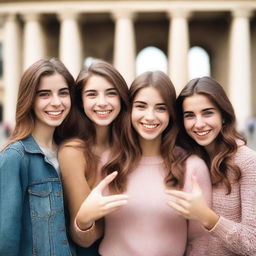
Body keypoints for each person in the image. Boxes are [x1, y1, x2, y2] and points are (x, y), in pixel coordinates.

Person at [73, 71, 212, 255]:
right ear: (130, 110)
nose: (150, 116)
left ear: (171, 113)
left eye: (160, 108)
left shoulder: (192, 167)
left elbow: (200, 242)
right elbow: (83, 240)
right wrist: (83, 220)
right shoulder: (109, 162)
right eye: (141, 106)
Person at [171, 76, 256, 255]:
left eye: (208, 112)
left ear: (223, 116)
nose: (199, 123)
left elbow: (253, 244)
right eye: (190, 115)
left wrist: (207, 217)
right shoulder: (183, 160)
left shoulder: (248, 162)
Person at [0, 58, 76, 256]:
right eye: (44, 94)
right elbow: (5, 240)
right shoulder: (15, 158)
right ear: (29, 99)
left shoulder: (70, 152)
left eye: (63, 93)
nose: (56, 102)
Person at [57, 60, 129, 255]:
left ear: (122, 98)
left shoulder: (131, 147)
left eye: (111, 93)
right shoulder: (73, 152)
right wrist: (86, 220)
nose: (102, 102)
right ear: (80, 101)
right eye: (92, 94)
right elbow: (83, 238)